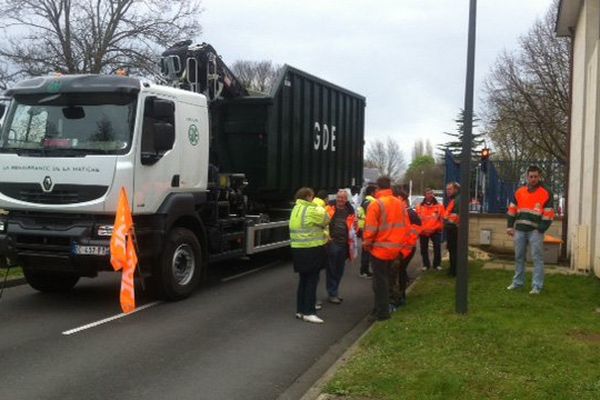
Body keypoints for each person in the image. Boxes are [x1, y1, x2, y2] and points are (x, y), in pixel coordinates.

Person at [363, 176, 409, 321]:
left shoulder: (376, 204)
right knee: (388, 281)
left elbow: (370, 229)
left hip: (379, 250)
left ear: (378, 187)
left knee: (380, 283)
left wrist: (366, 243)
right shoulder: (400, 203)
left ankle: (382, 313)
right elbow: (406, 226)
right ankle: (381, 309)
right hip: (395, 250)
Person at [506, 165, 555, 294]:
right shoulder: (519, 192)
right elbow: (512, 210)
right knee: (519, 257)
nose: (533, 179)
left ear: (539, 177)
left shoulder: (546, 193)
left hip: (535, 231)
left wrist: (541, 228)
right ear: (527, 177)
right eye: (531, 176)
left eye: (535, 176)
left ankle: (537, 286)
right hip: (520, 230)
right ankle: (518, 283)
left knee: (537, 258)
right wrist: (510, 226)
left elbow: (549, 213)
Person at [289, 187, 330, 323]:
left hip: (298, 250)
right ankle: (309, 312)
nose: (313, 199)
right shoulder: (311, 209)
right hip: (311, 250)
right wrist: (318, 206)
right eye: (312, 196)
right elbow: (326, 219)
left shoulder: (296, 209)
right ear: (308, 196)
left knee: (303, 281)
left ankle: (300, 310)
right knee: (312, 281)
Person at [389, 187, 421, 309]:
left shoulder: (410, 214)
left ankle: (400, 298)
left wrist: (403, 252)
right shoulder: (404, 212)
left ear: (400, 198)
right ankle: (400, 297)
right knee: (400, 272)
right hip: (401, 249)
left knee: (399, 273)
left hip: (405, 250)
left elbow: (413, 235)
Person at [325, 190, 358, 304]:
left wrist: (356, 225)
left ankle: (334, 291)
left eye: (343, 198)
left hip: (344, 244)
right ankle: (332, 293)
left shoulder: (350, 210)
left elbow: (354, 228)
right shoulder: (329, 208)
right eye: (339, 197)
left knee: (339, 270)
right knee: (331, 269)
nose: (340, 200)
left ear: (346, 199)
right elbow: (322, 224)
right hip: (332, 243)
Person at [417, 188, 444, 272]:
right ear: (424, 195)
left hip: (435, 231)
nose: (430, 195)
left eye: (431, 193)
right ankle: (426, 265)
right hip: (423, 232)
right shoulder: (419, 206)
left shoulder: (439, 206)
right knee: (423, 249)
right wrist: (420, 230)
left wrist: (439, 228)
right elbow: (418, 219)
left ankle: (437, 265)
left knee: (437, 247)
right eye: (428, 193)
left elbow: (442, 219)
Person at [357, 185, 377, 278]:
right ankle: (364, 271)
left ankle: (364, 270)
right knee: (367, 251)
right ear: (372, 192)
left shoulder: (364, 201)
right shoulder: (372, 202)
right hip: (367, 229)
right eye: (376, 191)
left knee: (366, 251)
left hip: (362, 228)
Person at [444, 182, 460, 277]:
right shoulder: (455, 199)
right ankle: (452, 269)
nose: (447, 191)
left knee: (453, 250)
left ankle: (453, 271)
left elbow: (458, 216)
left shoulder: (457, 200)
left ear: (456, 189)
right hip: (452, 228)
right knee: (452, 250)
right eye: (447, 189)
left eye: (450, 189)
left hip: (454, 229)